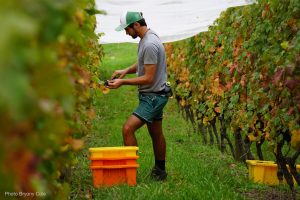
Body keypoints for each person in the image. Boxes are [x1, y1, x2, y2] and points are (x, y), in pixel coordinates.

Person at [107, 11, 169, 181]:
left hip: (153, 97)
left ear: (135, 25)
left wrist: (123, 83)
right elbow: (144, 63)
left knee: (128, 129)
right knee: (156, 134)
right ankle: (160, 171)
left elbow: (148, 77)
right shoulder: (148, 37)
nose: (126, 33)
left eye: (127, 29)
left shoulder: (149, 43)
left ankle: (130, 175)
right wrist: (125, 71)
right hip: (156, 93)